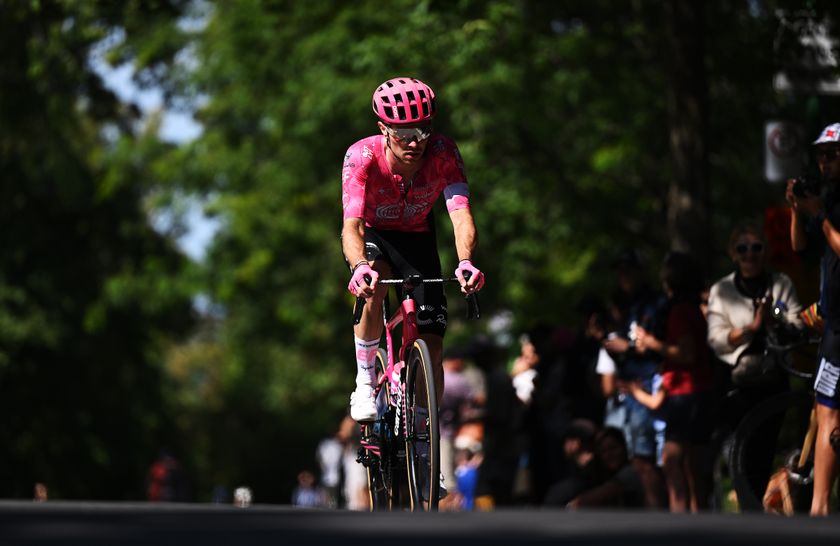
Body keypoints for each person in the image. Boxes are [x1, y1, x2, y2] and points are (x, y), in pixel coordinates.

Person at [341, 77, 485, 426]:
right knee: (375, 283)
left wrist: (466, 262)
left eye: (422, 132)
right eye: (403, 134)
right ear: (383, 128)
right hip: (375, 235)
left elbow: (462, 217)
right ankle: (364, 379)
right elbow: (351, 226)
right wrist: (359, 266)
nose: (414, 143)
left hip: (419, 239)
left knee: (433, 344)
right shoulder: (362, 157)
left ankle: (423, 432)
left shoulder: (443, 154)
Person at [706, 222, 803, 508]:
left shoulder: (781, 283)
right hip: (738, 382)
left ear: (765, 252)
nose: (750, 254)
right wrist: (752, 328)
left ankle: (755, 505)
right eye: (743, 249)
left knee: (765, 448)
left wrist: (775, 325)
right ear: (733, 254)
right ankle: (745, 501)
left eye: (756, 248)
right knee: (741, 449)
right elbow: (716, 337)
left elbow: (797, 323)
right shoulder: (722, 290)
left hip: (773, 379)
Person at [629, 251, 713, 513]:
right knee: (692, 462)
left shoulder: (679, 311)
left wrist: (653, 343)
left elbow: (685, 353)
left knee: (672, 459)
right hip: (700, 389)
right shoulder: (694, 309)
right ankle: (696, 513)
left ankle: (679, 516)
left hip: (685, 392)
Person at [786, 122, 840, 516]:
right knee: (826, 413)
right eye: (820, 154)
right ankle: (819, 509)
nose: (824, 161)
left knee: (830, 414)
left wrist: (820, 214)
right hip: (833, 322)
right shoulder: (828, 200)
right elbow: (799, 246)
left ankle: (820, 508)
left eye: (832, 154)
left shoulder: (831, 206)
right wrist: (797, 209)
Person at [601, 248, 667, 508]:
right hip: (631, 388)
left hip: (650, 385)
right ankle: (655, 512)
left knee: (648, 455)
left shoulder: (655, 303)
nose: (623, 276)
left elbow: (655, 343)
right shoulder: (625, 305)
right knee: (639, 457)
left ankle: (662, 515)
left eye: (628, 270)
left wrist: (625, 347)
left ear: (640, 272)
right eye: (620, 271)